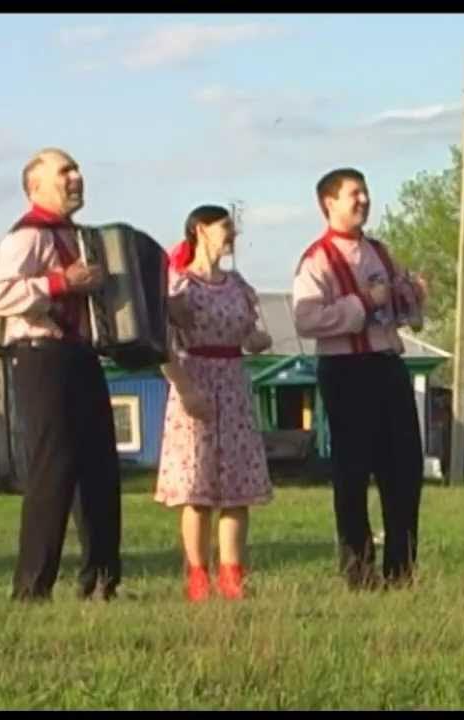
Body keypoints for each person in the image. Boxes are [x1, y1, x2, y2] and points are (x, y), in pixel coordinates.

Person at [0, 147, 123, 602]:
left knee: (100, 468)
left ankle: (101, 582)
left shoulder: (82, 239)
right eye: (65, 171)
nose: (77, 176)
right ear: (35, 186)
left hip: (81, 355)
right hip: (41, 354)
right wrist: (60, 283)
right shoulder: (26, 237)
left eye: (77, 168)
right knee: (53, 469)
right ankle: (31, 588)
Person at [292, 167, 428, 590]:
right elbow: (306, 319)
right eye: (354, 194)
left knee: (404, 469)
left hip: (387, 364)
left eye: (366, 192)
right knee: (352, 473)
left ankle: (401, 570)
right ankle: (359, 570)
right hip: (346, 371)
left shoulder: (381, 253)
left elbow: (401, 314)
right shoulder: (317, 259)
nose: (363, 201)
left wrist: (412, 296)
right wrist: (361, 303)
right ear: (328, 203)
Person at [155, 205, 274, 602]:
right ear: (200, 230)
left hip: (233, 383)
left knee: (236, 489)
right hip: (197, 381)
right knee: (197, 488)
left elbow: (248, 332)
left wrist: (254, 340)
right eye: (225, 226)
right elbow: (163, 345)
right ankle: (198, 576)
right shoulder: (181, 286)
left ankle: (233, 575)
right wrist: (186, 389)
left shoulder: (237, 284)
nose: (232, 233)